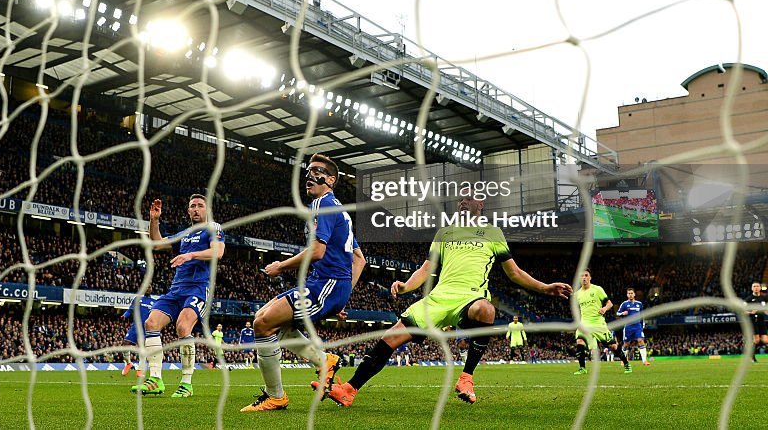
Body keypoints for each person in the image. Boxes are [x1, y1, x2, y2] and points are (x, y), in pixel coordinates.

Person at [315, 196, 572, 406]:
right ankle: (349, 389)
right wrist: (406, 286)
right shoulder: (445, 233)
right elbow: (426, 269)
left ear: (481, 205)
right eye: (460, 198)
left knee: (486, 309)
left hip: (470, 296)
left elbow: (514, 273)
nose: (463, 201)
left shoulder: (492, 232)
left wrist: (545, 287)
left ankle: (466, 377)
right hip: (437, 298)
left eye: (469, 198)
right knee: (390, 338)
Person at [241, 154, 366, 413]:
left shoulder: (324, 204)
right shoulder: (336, 209)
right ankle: (324, 361)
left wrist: (280, 266)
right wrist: (342, 294)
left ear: (331, 180)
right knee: (271, 322)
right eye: (308, 171)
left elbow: (318, 252)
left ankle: (276, 396)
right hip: (329, 286)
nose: (309, 176)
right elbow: (359, 260)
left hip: (326, 284)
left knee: (262, 323)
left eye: (317, 171)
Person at [131, 195, 224, 399]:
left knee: (183, 326)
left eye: (200, 206)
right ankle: (155, 379)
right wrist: (154, 220)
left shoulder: (213, 228)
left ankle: (186, 383)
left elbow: (218, 252)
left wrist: (190, 255)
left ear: (207, 210)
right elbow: (156, 244)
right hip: (176, 289)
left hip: (199, 287)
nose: (196, 209)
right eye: (193, 206)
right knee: (151, 322)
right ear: (188, 211)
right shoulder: (184, 234)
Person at [574, 269, 631, 375]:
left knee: (613, 346)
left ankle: (626, 363)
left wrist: (604, 309)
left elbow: (610, 304)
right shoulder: (577, 294)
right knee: (579, 341)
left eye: (586, 275)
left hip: (598, 324)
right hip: (584, 324)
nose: (584, 278)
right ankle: (582, 368)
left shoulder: (597, 289)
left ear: (590, 278)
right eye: (581, 276)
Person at [122, 295, 159, 377]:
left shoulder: (154, 302)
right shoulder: (137, 299)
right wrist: (125, 315)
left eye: (149, 287)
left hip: (146, 328)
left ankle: (139, 370)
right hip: (135, 326)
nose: (148, 289)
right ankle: (128, 363)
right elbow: (130, 310)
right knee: (125, 344)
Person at [616, 288, 649, 366]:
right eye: (628, 293)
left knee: (641, 341)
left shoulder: (639, 304)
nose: (630, 295)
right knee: (626, 344)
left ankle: (644, 361)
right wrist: (623, 313)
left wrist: (642, 325)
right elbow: (618, 313)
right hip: (628, 326)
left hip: (638, 326)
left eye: (631, 293)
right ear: (627, 295)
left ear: (634, 294)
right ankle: (623, 360)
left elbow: (642, 315)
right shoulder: (624, 304)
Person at [747, 281, 768, 363]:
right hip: (753, 321)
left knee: (765, 340)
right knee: (756, 340)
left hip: (761, 321)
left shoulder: (764, 298)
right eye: (754, 286)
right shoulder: (748, 299)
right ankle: (751, 357)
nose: (756, 287)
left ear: (760, 288)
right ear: (752, 288)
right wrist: (750, 312)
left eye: (757, 286)